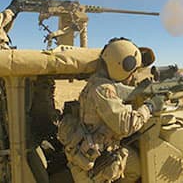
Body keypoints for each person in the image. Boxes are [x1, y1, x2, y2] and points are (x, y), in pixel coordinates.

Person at [58, 37, 165, 183]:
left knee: (134, 162)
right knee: (136, 170)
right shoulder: (103, 89)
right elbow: (125, 125)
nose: (132, 75)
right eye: (132, 71)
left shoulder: (96, 81)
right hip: (96, 164)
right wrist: (150, 106)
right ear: (120, 67)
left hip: (91, 149)